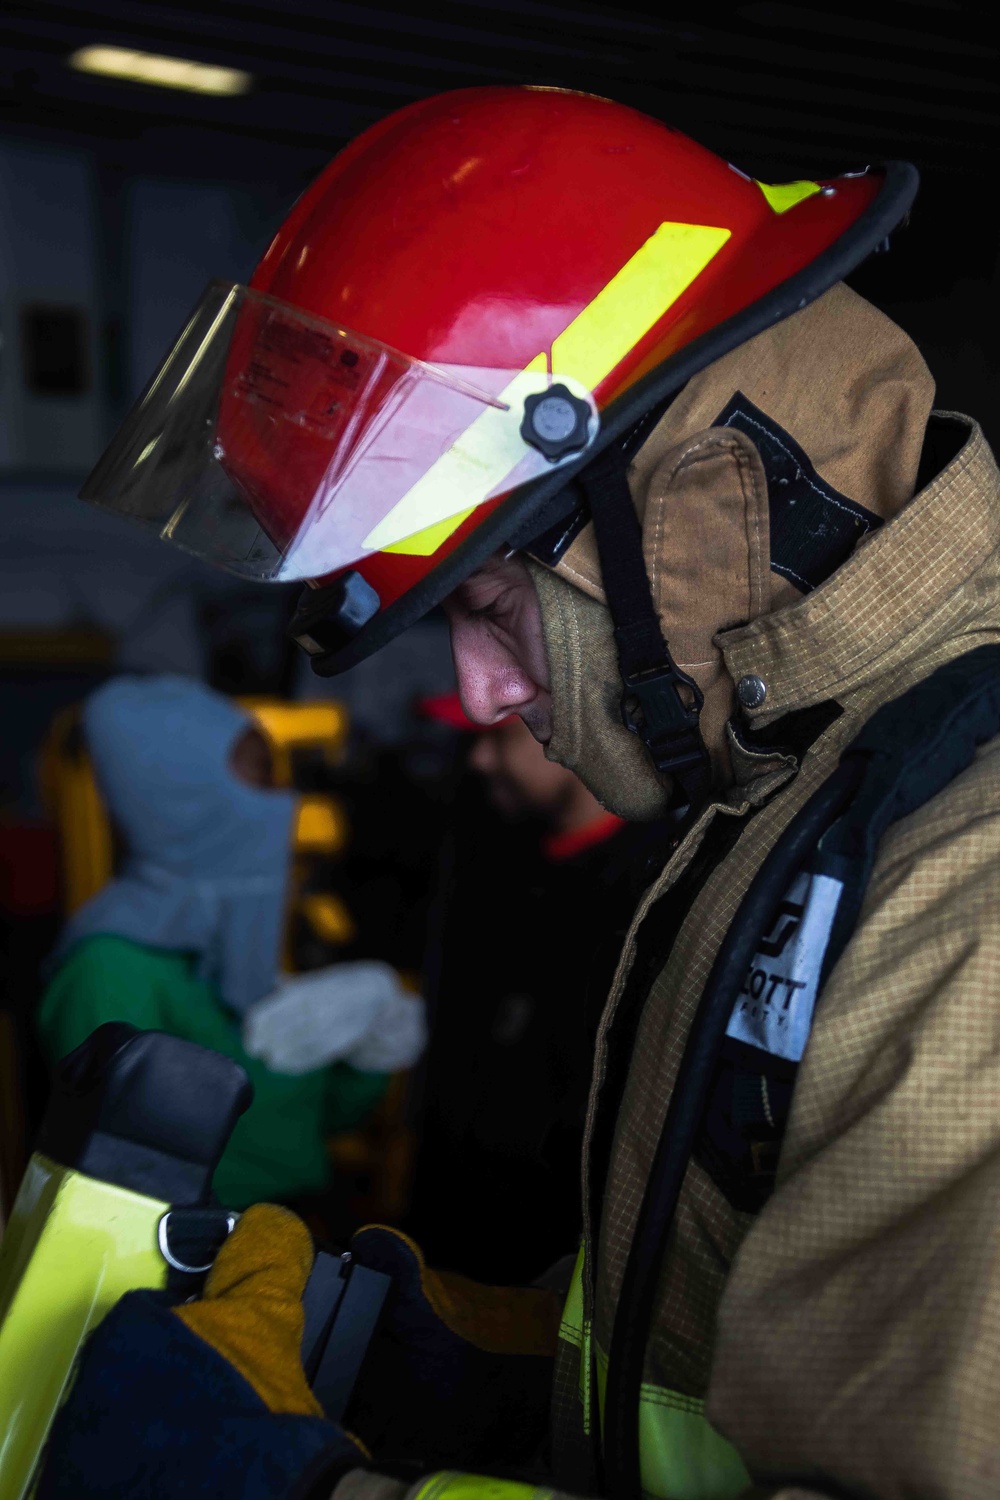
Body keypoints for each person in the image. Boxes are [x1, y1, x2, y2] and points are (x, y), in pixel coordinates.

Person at [35, 85, 1000, 1500]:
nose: (481, 694)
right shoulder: (820, 795)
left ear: (700, 514)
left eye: (488, 604)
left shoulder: (967, 883)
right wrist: (497, 1372)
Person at [37, 674, 425, 1210]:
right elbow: (127, 1182)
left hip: (287, 1232)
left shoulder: (232, 946)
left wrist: (370, 1051)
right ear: (183, 796)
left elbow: (305, 1127)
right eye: (259, 776)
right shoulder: (107, 967)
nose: (281, 800)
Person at [409, 695, 673, 1281]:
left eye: (497, 738)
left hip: (540, 1259)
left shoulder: (645, 895)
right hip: (453, 1238)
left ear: (569, 734)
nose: (478, 760)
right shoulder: (497, 856)